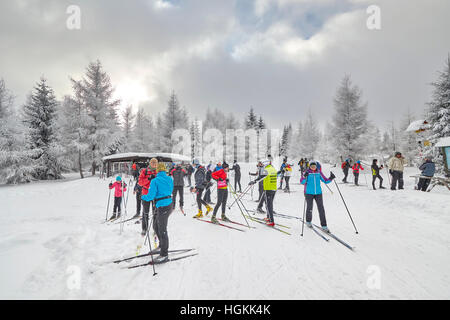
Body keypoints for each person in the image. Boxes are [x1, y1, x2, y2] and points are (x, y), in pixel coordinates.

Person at [141, 162, 174, 263]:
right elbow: (170, 190)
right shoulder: (170, 179)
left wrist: (142, 197)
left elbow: (150, 196)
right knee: (156, 226)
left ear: (157, 171)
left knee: (162, 229)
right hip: (167, 205)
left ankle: (164, 254)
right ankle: (161, 245)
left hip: (163, 206)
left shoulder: (155, 181)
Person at [300, 161, 335, 232]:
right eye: (312, 166)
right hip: (308, 193)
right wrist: (305, 176)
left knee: (321, 209)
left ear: (316, 166)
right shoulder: (307, 172)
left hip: (318, 193)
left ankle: (324, 226)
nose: (313, 167)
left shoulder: (319, 172)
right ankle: (308, 221)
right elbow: (302, 182)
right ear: (309, 166)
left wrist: (331, 178)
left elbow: (325, 181)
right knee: (310, 208)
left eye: (314, 166)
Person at [249, 159, 278, 226]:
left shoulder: (266, 170)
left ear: (265, 164)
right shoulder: (273, 169)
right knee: (269, 204)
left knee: (268, 205)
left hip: (268, 189)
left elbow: (261, 177)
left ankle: (271, 221)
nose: (262, 165)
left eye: (262, 164)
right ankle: (268, 217)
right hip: (273, 189)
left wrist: (254, 181)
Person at [139, 158, 158, 235]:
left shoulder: (158, 172)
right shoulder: (145, 171)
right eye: (152, 163)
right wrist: (148, 179)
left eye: (155, 163)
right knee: (145, 212)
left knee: (155, 213)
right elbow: (140, 182)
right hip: (146, 193)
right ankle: (144, 228)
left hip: (155, 194)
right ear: (150, 163)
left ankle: (155, 229)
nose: (154, 164)